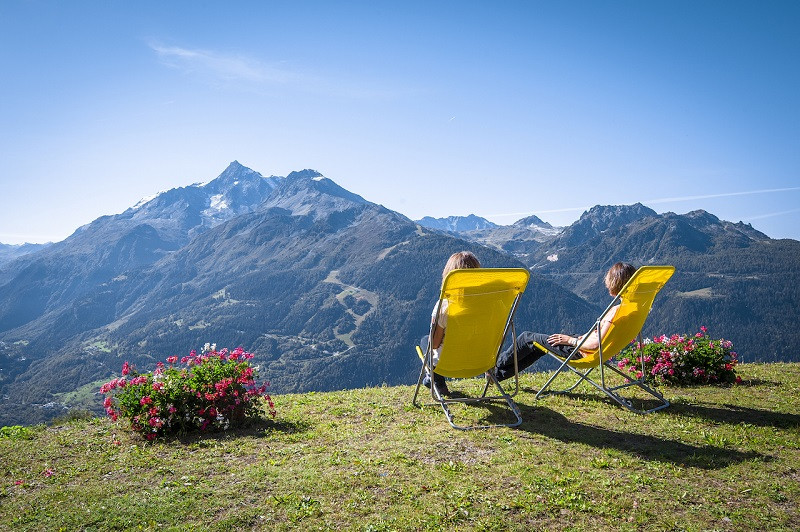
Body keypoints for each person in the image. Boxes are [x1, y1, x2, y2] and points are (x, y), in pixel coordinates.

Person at [493, 262, 638, 381]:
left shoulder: (615, 312)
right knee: (538, 345)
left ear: (614, 283)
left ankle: (494, 366)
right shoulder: (633, 308)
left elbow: (595, 344)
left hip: (582, 351)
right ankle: (497, 375)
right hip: (592, 348)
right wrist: (583, 336)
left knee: (527, 338)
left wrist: (571, 340)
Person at [419, 251, 482, 396]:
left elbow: (434, 344)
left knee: (425, 341)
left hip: (448, 365)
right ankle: (432, 379)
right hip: (479, 362)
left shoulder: (445, 306)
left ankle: (437, 383)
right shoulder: (490, 305)